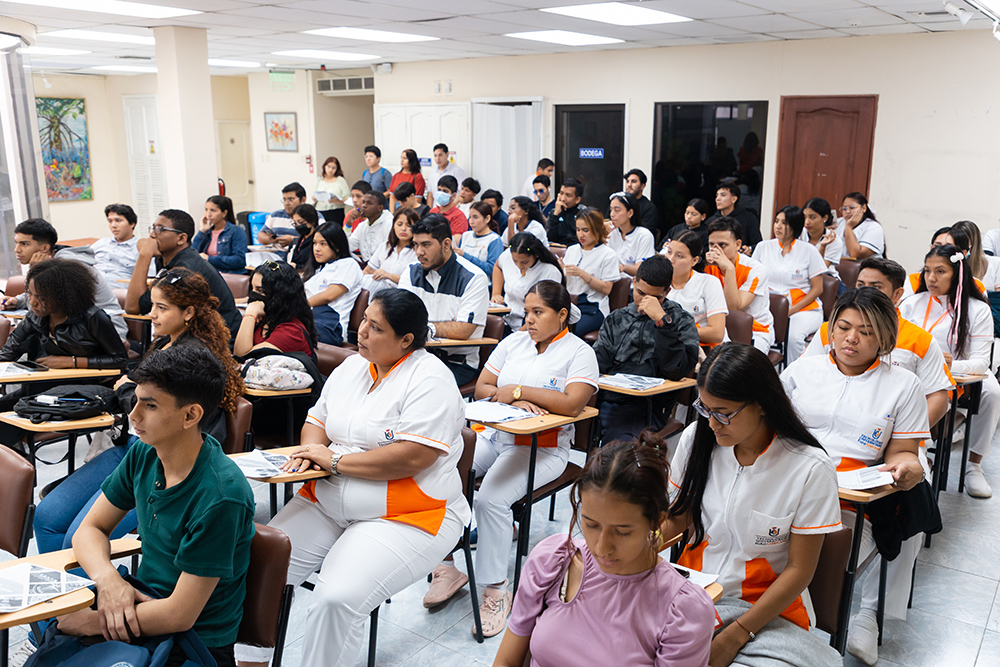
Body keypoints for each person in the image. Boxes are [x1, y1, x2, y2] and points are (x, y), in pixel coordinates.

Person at [234, 289, 470, 667]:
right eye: (364, 321)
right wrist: (312, 453)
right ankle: (252, 662)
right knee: (255, 567)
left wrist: (336, 461)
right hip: (327, 500)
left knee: (335, 599)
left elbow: (415, 455)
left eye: (375, 328)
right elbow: (317, 422)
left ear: (406, 340)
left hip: (405, 515)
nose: (362, 331)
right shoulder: (351, 367)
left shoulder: (430, 379)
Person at [424, 281, 598, 638]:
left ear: (562, 314)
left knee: (491, 499)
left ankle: (495, 590)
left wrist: (515, 391)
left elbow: (571, 403)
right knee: (439, 476)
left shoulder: (579, 352)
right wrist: (512, 401)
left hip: (543, 447)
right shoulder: (513, 342)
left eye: (539, 312)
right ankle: (446, 568)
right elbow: (485, 387)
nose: (529, 319)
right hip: (496, 435)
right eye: (527, 310)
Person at [64, 345, 255, 667]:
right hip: (144, 611)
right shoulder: (144, 453)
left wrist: (92, 622)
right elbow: (90, 529)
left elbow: (179, 614)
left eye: (150, 405)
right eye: (136, 400)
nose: (134, 415)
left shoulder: (221, 495)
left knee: (67, 625)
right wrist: (109, 581)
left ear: (190, 415)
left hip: (194, 643)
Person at [35, 268, 245, 559]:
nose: (151, 314)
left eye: (161, 307)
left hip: (165, 456)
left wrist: (126, 389)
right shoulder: (164, 341)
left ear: (188, 313)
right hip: (133, 447)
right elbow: (137, 393)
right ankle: (65, 595)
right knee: (46, 518)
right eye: (152, 306)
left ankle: (93, 596)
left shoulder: (193, 358)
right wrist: (127, 389)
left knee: (78, 538)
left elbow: (140, 397)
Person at [668, 343, 843, 667]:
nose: (712, 424)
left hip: (767, 610)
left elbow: (799, 571)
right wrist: (635, 538)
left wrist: (738, 634)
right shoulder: (698, 439)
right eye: (705, 409)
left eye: (724, 414)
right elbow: (677, 519)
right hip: (699, 592)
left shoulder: (809, 467)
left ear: (761, 404)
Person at [782, 289, 931, 665]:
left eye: (865, 332)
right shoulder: (803, 370)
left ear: (883, 339)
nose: (851, 338)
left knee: (822, 563)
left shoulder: (903, 385)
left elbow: (901, 452)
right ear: (831, 330)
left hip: (851, 503)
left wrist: (907, 467)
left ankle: (809, 640)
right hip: (786, 485)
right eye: (843, 327)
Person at [493, 436, 716, 667]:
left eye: (622, 532)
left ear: (656, 521)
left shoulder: (683, 611)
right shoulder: (552, 562)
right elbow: (507, 661)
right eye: (590, 525)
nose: (601, 548)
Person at [900, 244, 999, 498]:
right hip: (909, 373)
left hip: (952, 378)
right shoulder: (912, 303)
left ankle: (972, 465)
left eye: (940, 271)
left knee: (992, 393)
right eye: (927, 271)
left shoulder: (976, 309)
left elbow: (980, 363)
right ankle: (918, 453)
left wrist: (950, 365)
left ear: (957, 274)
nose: (931, 278)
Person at [593, 255, 699, 443]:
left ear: (667, 291)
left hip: (650, 406)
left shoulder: (681, 321)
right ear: (634, 282)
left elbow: (676, 370)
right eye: (640, 293)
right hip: (609, 398)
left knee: (619, 444)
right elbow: (599, 362)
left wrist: (663, 322)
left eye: (655, 297)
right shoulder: (617, 318)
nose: (645, 301)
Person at [399, 214, 489, 386]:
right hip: (415, 356)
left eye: (426, 245)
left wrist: (426, 328)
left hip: (455, 363)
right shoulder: (411, 272)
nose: (419, 252)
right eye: (416, 245)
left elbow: (463, 330)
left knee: (409, 386)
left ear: (446, 244)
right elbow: (400, 316)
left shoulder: (473, 277)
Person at [2, 218, 127, 339]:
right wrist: (17, 301)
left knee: (23, 350)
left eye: (24, 244)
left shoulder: (67, 267)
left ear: (44, 248)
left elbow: (38, 310)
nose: (16, 250)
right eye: (16, 243)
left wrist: (36, 271)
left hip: (105, 335)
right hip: (76, 331)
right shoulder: (54, 262)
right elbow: (41, 297)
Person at [125, 208, 241, 338]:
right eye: (153, 228)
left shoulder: (185, 269)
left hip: (217, 341)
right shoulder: (165, 259)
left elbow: (132, 307)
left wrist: (144, 254)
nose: (152, 235)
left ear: (181, 238)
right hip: (191, 336)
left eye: (160, 229)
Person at [752, 205, 825, 362]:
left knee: (793, 338)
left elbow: (818, 289)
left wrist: (790, 310)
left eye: (784, 223)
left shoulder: (809, 251)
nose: (778, 226)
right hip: (768, 307)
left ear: (795, 226)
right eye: (776, 221)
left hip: (803, 309)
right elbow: (753, 280)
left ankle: (793, 380)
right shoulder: (763, 247)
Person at [704, 217, 774, 353]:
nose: (715, 250)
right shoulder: (706, 265)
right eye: (712, 244)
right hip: (717, 326)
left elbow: (735, 307)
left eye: (722, 245)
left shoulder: (755, 269)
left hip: (756, 330)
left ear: (737, 245)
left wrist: (729, 269)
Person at [235, 261, 318, 358]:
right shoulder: (264, 317)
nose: (253, 296)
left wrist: (250, 315)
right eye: (252, 289)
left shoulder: (292, 331)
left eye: (260, 291)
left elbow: (241, 356)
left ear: (280, 294)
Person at [303, 222, 363, 347]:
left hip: (329, 326)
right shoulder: (319, 269)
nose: (317, 248)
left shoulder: (348, 264)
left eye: (323, 244)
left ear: (336, 246)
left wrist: (297, 306)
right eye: (314, 243)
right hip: (309, 320)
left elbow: (329, 295)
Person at [561, 208, 619, 337]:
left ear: (597, 230)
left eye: (585, 230)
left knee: (568, 333)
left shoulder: (608, 255)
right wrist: (560, 270)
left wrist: (582, 273)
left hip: (593, 308)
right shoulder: (571, 250)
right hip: (570, 304)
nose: (581, 235)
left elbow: (606, 289)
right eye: (578, 230)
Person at [664, 231, 727, 345]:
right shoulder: (660, 282)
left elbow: (717, 334)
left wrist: (675, 332)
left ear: (694, 260)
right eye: (669, 252)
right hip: (673, 347)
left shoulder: (709, 283)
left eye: (679, 256)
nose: (670, 259)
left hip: (707, 348)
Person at [492, 232, 564, 333]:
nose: (519, 265)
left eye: (524, 262)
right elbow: (498, 266)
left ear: (536, 254)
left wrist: (517, 335)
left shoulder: (549, 272)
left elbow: (544, 311)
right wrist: (496, 293)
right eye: (515, 261)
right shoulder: (509, 254)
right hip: (505, 318)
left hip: (528, 325)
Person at [361, 208, 417, 296]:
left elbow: (414, 281)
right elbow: (367, 270)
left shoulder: (417, 252)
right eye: (399, 224)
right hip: (379, 292)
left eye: (409, 225)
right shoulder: (385, 247)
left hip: (402, 295)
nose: (403, 229)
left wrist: (388, 276)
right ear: (393, 226)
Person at [193, 195, 248, 275]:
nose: (208, 214)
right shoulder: (207, 232)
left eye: (213, 210)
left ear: (224, 213)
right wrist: (202, 231)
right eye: (206, 210)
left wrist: (209, 259)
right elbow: (193, 254)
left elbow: (239, 260)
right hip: (209, 274)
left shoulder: (236, 231)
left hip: (228, 275)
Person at [606, 192, 655, 278]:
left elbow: (642, 269)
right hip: (610, 282)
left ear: (630, 213)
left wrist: (623, 268)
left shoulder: (643, 235)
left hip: (632, 286)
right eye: (611, 210)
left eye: (617, 210)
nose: (612, 214)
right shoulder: (611, 232)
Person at [92, 203, 144, 284]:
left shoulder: (140, 248)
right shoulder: (101, 243)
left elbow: (148, 278)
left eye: (118, 220)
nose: (113, 225)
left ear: (132, 223)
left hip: (120, 291)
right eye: (110, 221)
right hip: (92, 288)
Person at [456, 200, 503, 284]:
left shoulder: (494, 240)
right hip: (463, 283)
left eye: (475, 217)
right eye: (470, 217)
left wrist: (465, 255)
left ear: (487, 218)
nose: (471, 221)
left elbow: (492, 269)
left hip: (483, 285)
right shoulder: (466, 235)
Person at [257, 182, 306, 258]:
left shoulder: (313, 215)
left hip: (300, 258)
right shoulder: (276, 215)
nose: (287, 203)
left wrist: (293, 241)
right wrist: (271, 240)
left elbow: (317, 239)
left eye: (291, 199)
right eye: (284, 199)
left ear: (303, 200)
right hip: (276, 257)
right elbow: (260, 235)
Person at [707, 182, 762, 250]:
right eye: (717, 195)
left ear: (734, 199)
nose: (718, 199)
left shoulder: (748, 218)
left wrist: (749, 249)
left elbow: (758, 244)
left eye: (723, 195)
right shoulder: (711, 221)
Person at [953, 219, 1000, 292]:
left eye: (963, 242)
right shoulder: (949, 265)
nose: (958, 247)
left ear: (974, 243)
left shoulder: (995, 263)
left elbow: (997, 299)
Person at [348, 191, 393, 262]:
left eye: (369, 203)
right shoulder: (362, 226)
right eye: (363, 202)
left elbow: (388, 252)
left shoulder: (389, 223)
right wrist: (348, 225)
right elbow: (347, 247)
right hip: (367, 265)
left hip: (382, 266)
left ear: (380, 208)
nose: (364, 206)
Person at [838, 191, 884, 260]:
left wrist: (848, 227)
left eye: (852, 208)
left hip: (865, 268)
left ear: (864, 208)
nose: (847, 211)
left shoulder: (874, 227)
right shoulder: (839, 222)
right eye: (844, 208)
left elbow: (855, 254)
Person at [801, 197, 842, 268]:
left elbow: (820, 269)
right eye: (804, 217)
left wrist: (822, 247)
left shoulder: (834, 241)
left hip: (826, 277)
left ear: (825, 218)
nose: (806, 222)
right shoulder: (798, 234)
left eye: (812, 217)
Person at [429, 174, 470, 242]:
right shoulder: (433, 212)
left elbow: (456, 242)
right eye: (439, 190)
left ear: (453, 195)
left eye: (445, 191)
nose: (441, 193)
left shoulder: (458, 216)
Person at [546, 177, 584, 247]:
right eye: (561, 193)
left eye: (568, 195)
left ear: (577, 199)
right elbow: (550, 239)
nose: (563, 199)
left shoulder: (583, 213)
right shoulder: (554, 212)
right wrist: (556, 215)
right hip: (558, 251)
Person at [314, 156, 351, 225]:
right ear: (324, 166)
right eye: (328, 167)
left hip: (335, 211)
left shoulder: (340, 180)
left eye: (333, 168)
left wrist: (336, 201)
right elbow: (315, 193)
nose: (330, 170)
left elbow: (347, 199)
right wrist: (315, 197)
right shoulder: (320, 179)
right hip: (321, 210)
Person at [623, 168, 659, 234]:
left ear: (642, 186)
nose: (629, 185)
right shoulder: (619, 203)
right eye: (627, 181)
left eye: (633, 181)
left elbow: (645, 232)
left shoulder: (649, 208)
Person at [287, 203, 318, 272]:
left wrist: (297, 267)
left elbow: (317, 265)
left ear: (312, 221)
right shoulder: (296, 241)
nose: (297, 226)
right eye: (295, 223)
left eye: (300, 222)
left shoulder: (317, 242)